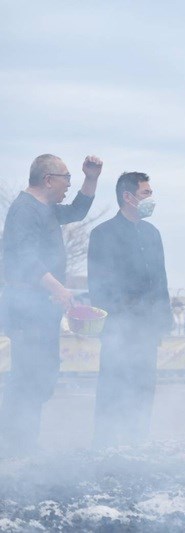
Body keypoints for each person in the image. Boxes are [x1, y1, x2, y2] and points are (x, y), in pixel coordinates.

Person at [0, 154, 102, 454]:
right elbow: (23, 257)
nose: (69, 185)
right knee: (29, 375)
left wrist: (91, 178)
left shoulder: (47, 209)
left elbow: (77, 211)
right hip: (25, 305)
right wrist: (56, 286)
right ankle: (16, 444)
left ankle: (22, 441)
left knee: (43, 374)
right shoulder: (24, 210)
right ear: (48, 179)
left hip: (40, 305)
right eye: (66, 179)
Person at [88, 172, 172, 447]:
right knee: (113, 384)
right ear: (128, 197)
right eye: (146, 193)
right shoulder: (102, 234)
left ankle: (138, 440)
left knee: (144, 385)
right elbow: (98, 285)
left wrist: (162, 320)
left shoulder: (152, 233)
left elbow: (160, 279)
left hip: (147, 326)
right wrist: (111, 324)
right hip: (118, 326)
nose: (151, 198)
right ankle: (104, 443)